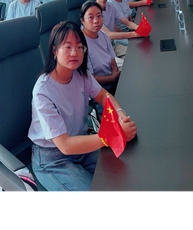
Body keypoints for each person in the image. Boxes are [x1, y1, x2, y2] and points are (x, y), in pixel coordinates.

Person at [28, 20, 137, 191]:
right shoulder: (43, 91)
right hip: (53, 158)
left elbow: (103, 96)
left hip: (82, 143)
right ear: (54, 51)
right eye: (68, 47)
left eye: (80, 47)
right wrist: (113, 135)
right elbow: (65, 145)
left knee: (124, 175)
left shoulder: (81, 74)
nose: (75, 53)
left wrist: (121, 116)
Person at [91, 0, 140, 69]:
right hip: (100, 51)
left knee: (137, 53)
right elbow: (109, 35)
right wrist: (134, 34)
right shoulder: (93, 12)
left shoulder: (111, 6)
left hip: (111, 46)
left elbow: (127, 23)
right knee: (128, 66)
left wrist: (140, 29)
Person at [80, 1, 121, 95]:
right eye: (90, 17)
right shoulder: (81, 44)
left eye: (99, 16)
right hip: (98, 92)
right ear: (82, 20)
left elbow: (112, 61)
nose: (96, 21)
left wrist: (115, 76)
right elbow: (91, 79)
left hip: (113, 83)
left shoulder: (104, 35)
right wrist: (112, 78)